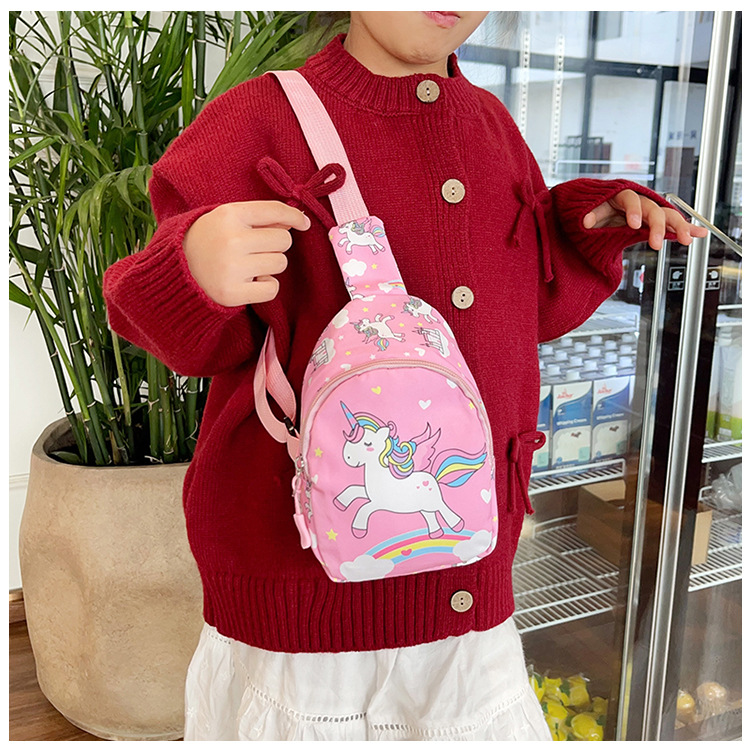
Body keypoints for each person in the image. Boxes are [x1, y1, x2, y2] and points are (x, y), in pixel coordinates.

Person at [102, 11, 707, 741]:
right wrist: (191, 271)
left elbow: (526, 310)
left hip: (470, 586)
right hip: (302, 604)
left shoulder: (491, 125)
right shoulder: (254, 121)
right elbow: (179, 334)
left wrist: (586, 229)